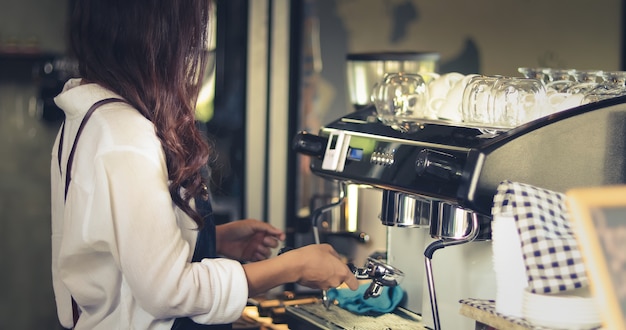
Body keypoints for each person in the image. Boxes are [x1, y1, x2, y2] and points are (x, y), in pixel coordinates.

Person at [50, 1, 358, 329]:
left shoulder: (93, 117)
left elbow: (119, 247)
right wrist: (292, 267)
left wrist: (213, 238)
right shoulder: (124, 134)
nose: (193, 48)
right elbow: (168, 291)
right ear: (155, 35)